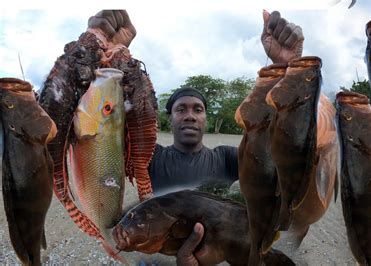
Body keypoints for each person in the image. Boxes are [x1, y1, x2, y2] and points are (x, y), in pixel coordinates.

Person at [88, 9, 304, 266]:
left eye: (197, 109)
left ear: (206, 119)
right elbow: (103, 133)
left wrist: (289, 69)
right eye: (181, 109)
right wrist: (108, 59)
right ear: (170, 118)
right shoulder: (151, 159)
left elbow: (279, 158)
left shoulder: (226, 158)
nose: (189, 115)